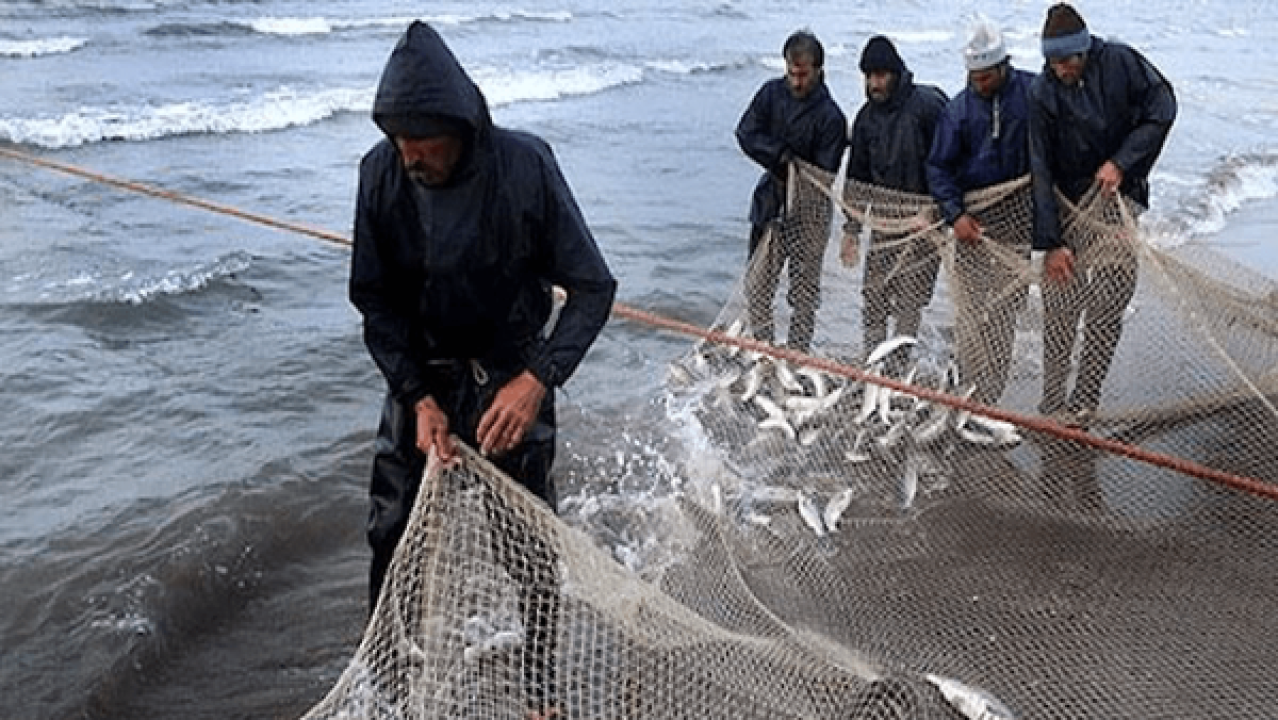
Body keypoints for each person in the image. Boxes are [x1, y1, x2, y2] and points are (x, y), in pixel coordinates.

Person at [349, 21, 617, 720]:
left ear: (461, 126)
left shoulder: (526, 167)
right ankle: (385, 687)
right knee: (389, 535)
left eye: (422, 140)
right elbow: (374, 300)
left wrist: (537, 379)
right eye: (398, 139)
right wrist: (415, 396)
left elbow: (594, 289)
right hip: (424, 383)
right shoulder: (379, 174)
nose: (410, 155)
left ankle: (541, 694)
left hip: (509, 379)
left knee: (528, 549)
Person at [1029, 3, 1176, 426]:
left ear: (1084, 49)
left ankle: (1085, 400)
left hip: (1118, 200)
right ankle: (1052, 401)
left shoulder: (1120, 62)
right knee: (1060, 304)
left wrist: (1122, 162)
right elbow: (1040, 168)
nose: (1060, 69)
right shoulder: (1041, 92)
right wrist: (1052, 242)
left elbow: (1163, 108)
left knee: (1109, 299)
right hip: (1068, 204)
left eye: (1067, 60)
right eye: (1053, 62)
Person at [926, 18, 1035, 406]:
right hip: (972, 223)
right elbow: (938, 168)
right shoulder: (958, 110)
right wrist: (955, 215)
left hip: (1017, 223)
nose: (979, 83)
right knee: (969, 311)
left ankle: (991, 395)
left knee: (1005, 312)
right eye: (974, 76)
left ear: (1003, 67)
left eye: (986, 76)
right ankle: (966, 388)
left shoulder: (1033, 93)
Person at [735, 30, 848, 352]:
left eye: (803, 75)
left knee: (804, 294)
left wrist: (796, 166)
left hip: (810, 213)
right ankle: (764, 350)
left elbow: (825, 173)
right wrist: (779, 156)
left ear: (818, 71)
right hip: (770, 201)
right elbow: (746, 133)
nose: (796, 82)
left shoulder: (831, 118)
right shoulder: (771, 94)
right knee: (757, 286)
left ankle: (798, 354)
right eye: (791, 73)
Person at [845, 35, 948, 360]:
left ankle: (899, 371)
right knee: (874, 297)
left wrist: (937, 211)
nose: (874, 83)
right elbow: (857, 179)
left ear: (896, 73)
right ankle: (873, 364)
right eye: (869, 76)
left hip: (925, 225)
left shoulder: (928, 106)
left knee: (909, 301)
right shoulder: (864, 120)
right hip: (885, 226)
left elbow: (949, 163)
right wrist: (851, 230)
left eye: (881, 75)